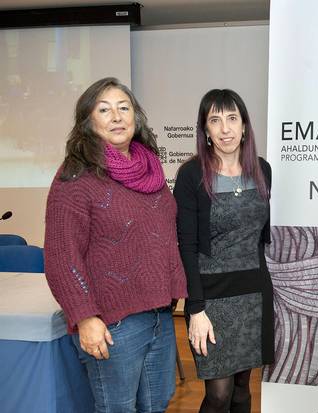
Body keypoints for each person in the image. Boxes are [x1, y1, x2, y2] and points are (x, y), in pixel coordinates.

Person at [44, 77, 188, 413]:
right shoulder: (75, 176)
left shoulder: (149, 168)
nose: (117, 116)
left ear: (136, 116)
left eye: (124, 108)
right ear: (88, 121)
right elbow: (62, 257)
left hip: (159, 314)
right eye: (104, 109)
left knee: (157, 404)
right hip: (112, 324)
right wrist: (84, 318)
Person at [173, 89, 273, 413]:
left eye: (232, 118)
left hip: (253, 294)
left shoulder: (262, 170)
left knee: (242, 390)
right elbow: (187, 247)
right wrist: (195, 309)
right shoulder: (191, 175)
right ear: (205, 129)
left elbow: (259, 239)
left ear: (244, 126)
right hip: (211, 298)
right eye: (215, 120)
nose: (225, 128)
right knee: (218, 394)